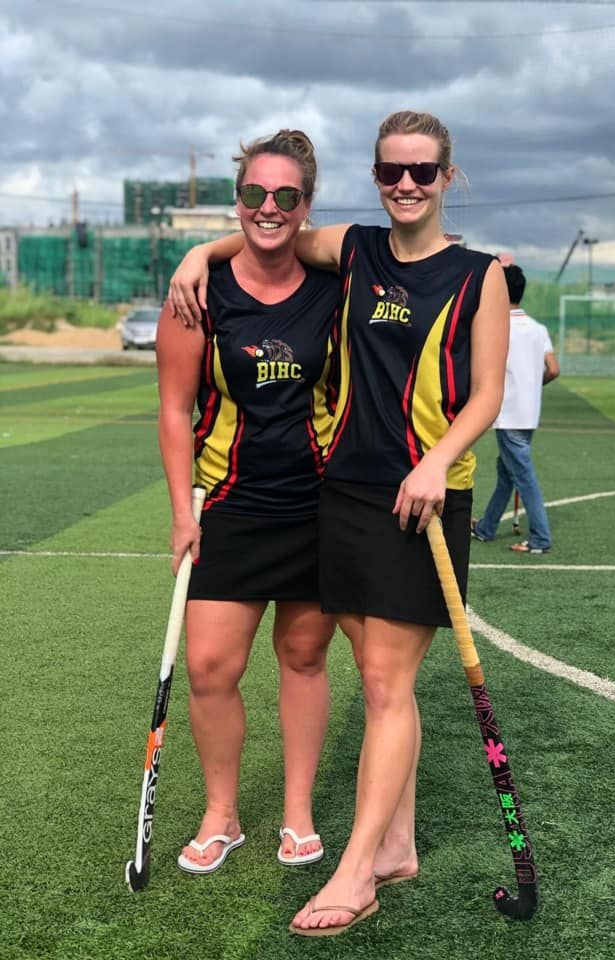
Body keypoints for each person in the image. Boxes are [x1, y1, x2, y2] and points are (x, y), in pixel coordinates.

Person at [168, 110, 509, 934]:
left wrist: (437, 460)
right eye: (391, 171)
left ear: (447, 178)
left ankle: (356, 871)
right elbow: (266, 239)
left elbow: (490, 393)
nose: (405, 185)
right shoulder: (353, 250)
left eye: (422, 172)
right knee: (384, 680)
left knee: (386, 684)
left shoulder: (481, 274)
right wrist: (197, 250)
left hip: (422, 500)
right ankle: (394, 842)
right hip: (347, 496)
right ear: (374, 176)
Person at [156, 129, 340, 877]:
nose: (268, 207)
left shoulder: (336, 286)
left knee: (302, 657)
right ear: (236, 200)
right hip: (228, 502)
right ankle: (221, 814)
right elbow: (174, 410)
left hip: (319, 503)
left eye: (286, 196)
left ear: (306, 205)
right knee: (209, 667)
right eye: (254, 194)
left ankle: (296, 814)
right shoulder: (197, 291)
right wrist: (180, 511)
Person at [471, 264, 559, 553]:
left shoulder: (495, 327)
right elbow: (553, 369)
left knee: (523, 477)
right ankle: (486, 527)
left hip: (507, 413)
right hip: (528, 412)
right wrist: (534, 385)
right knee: (507, 473)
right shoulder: (538, 328)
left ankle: (540, 539)